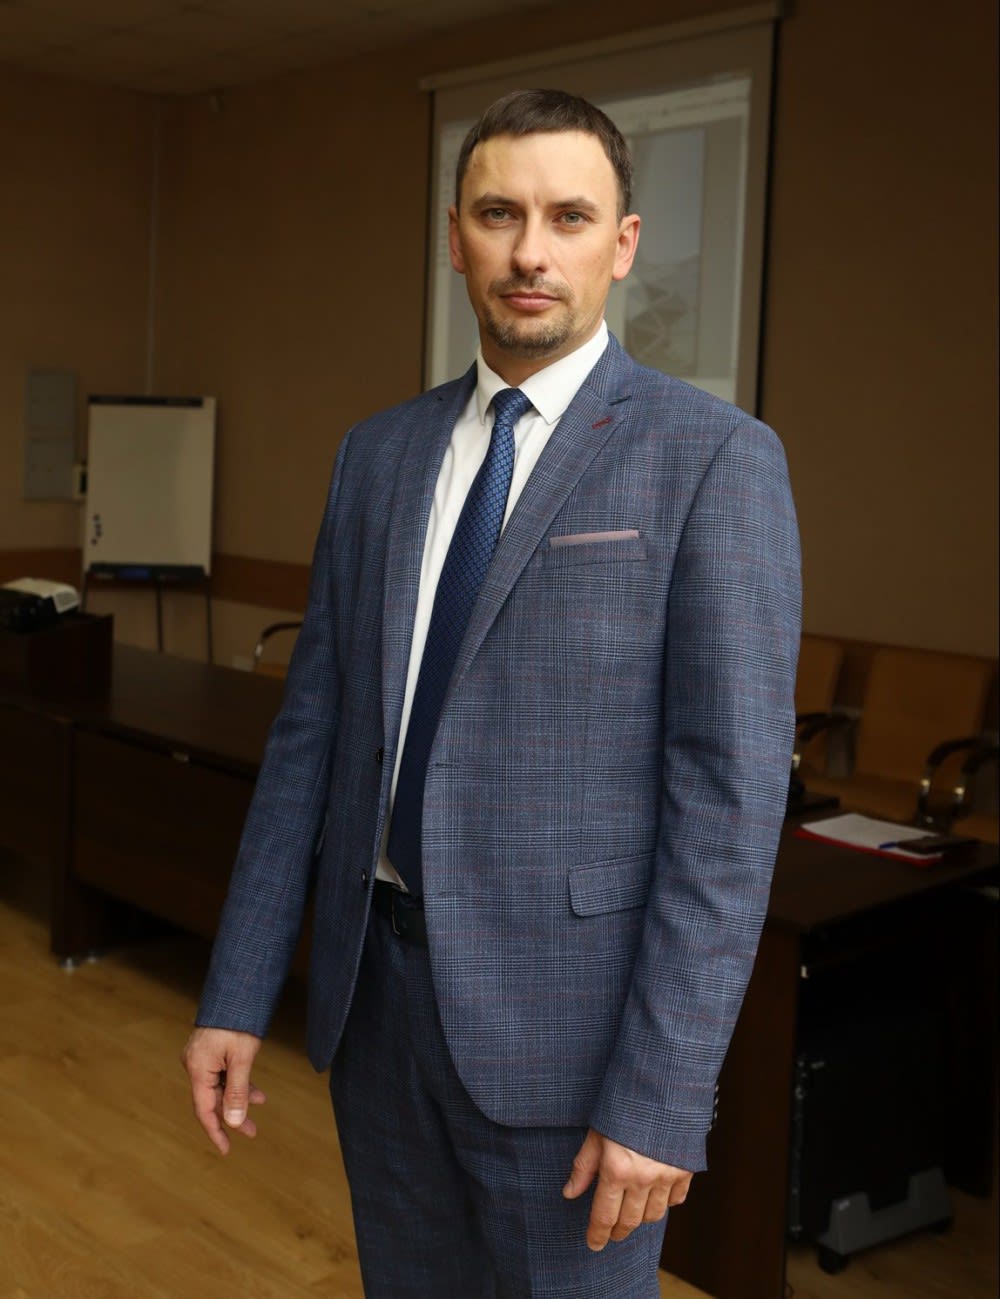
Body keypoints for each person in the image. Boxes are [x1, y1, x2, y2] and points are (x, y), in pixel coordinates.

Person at [183, 88, 801, 1298]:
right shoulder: (377, 456)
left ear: (622, 244)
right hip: (376, 1012)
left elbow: (726, 812)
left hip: (575, 1048)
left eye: (569, 217)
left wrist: (662, 1093)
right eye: (498, 214)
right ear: (454, 237)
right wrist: (237, 993)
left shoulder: (713, 458)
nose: (530, 251)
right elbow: (310, 746)